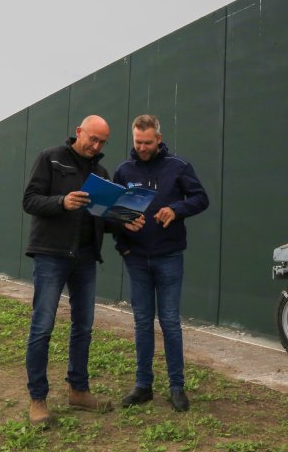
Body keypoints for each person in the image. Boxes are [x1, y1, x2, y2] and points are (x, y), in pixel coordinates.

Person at [22, 115, 144, 425]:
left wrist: (124, 220)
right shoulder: (51, 159)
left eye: (102, 141)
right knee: (42, 326)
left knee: (83, 327)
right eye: (92, 138)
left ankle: (78, 390)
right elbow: (30, 200)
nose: (96, 145)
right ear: (79, 132)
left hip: (86, 258)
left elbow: (98, 219)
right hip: (51, 255)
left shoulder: (100, 173)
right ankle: (38, 399)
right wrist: (62, 202)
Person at [113, 114, 209, 412]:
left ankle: (176, 386)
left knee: (169, 321)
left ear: (159, 138)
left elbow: (200, 198)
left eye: (148, 142)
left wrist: (176, 210)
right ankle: (143, 385)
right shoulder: (123, 171)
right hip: (137, 259)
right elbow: (113, 213)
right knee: (142, 322)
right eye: (137, 142)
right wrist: (123, 244)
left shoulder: (178, 167)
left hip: (169, 256)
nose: (142, 147)